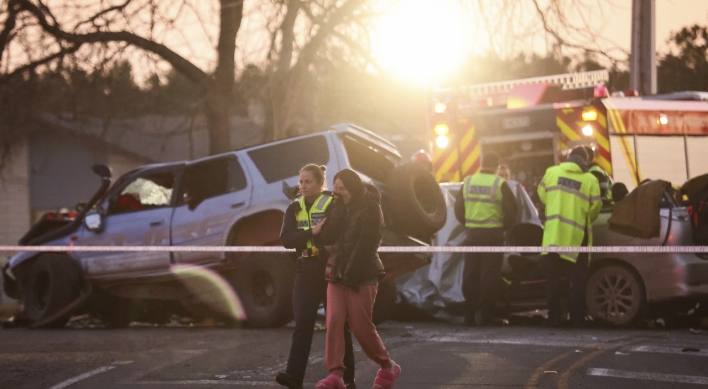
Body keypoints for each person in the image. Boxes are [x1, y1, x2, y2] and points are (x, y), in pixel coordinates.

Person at [316, 169, 400, 389]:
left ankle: (387, 364)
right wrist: (335, 211)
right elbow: (327, 237)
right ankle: (336, 374)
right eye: (335, 189)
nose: (339, 193)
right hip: (337, 273)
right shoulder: (338, 208)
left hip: (362, 275)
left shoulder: (371, 207)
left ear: (353, 187)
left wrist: (351, 274)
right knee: (333, 322)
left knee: (361, 326)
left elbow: (367, 243)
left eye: (342, 189)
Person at [277, 164, 356, 389]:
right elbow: (286, 240)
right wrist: (311, 232)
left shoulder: (333, 203)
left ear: (320, 183)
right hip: (306, 269)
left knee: (338, 325)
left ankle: (348, 380)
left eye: (308, 182)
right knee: (302, 323)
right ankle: (294, 376)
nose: (302, 186)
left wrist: (316, 236)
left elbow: (337, 232)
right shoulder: (294, 207)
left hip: (330, 268)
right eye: (300, 182)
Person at [538, 146, 602, 327]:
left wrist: (555, 205)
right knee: (578, 280)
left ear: (569, 158)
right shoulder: (590, 179)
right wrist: (582, 217)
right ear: (586, 161)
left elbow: (542, 194)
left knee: (552, 280)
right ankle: (577, 318)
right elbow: (595, 208)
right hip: (576, 238)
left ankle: (554, 317)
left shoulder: (551, 172)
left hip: (553, 236)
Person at [454, 152, 518, 326]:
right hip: (493, 236)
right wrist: (503, 228)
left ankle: (469, 315)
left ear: (481, 164)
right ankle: (486, 316)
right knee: (489, 277)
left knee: (470, 274)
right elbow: (512, 212)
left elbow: (458, 209)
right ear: (497, 166)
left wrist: (469, 223)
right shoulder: (500, 184)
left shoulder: (468, 182)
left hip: (472, 235)